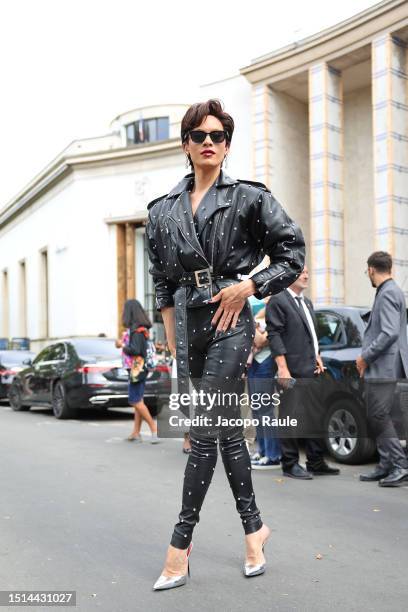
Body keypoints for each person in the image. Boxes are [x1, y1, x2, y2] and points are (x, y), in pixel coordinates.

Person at [146, 99, 305, 590]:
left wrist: (250, 287)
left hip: (231, 318)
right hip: (188, 327)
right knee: (228, 435)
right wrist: (171, 342)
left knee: (202, 433)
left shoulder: (249, 198)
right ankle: (255, 530)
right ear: (186, 145)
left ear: (227, 144)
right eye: (198, 135)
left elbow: (291, 254)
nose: (208, 142)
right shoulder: (162, 211)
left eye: (216, 135)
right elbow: (161, 282)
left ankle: (179, 548)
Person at [265, 265, 340, 479]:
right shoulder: (279, 299)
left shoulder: (306, 302)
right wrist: (282, 368)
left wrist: (317, 354)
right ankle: (289, 464)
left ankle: (316, 461)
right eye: (301, 272)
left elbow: (310, 335)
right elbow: (275, 335)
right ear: (289, 275)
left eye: (308, 272)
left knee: (315, 416)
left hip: (311, 370)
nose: (306, 275)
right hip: (292, 371)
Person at [357, 251, 408, 487]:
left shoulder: (388, 293)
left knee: (378, 415)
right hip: (386, 366)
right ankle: (386, 464)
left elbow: (389, 332)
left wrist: (365, 357)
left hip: (384, 366)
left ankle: (398, 465)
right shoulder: (391, 290)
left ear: (371, 269)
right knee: (378, 415)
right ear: (390, 268)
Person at [116, 299, 159, 444]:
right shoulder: (141, 329)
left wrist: (122, 345)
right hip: (140, 368)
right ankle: (136, 432)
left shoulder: (137, 330)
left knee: (134, 400)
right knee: (138, 400)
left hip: (137, 368)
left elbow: (136, 350)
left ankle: (154, 429)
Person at [247, 303, 282, 469]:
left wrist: (257, 335)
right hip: (253, 362)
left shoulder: (278, 304)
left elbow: (263, 338)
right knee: (257, 409)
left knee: (265, 409)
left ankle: (273, 455)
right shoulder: (260, 306)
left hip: (266, 361)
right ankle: (262, 451)